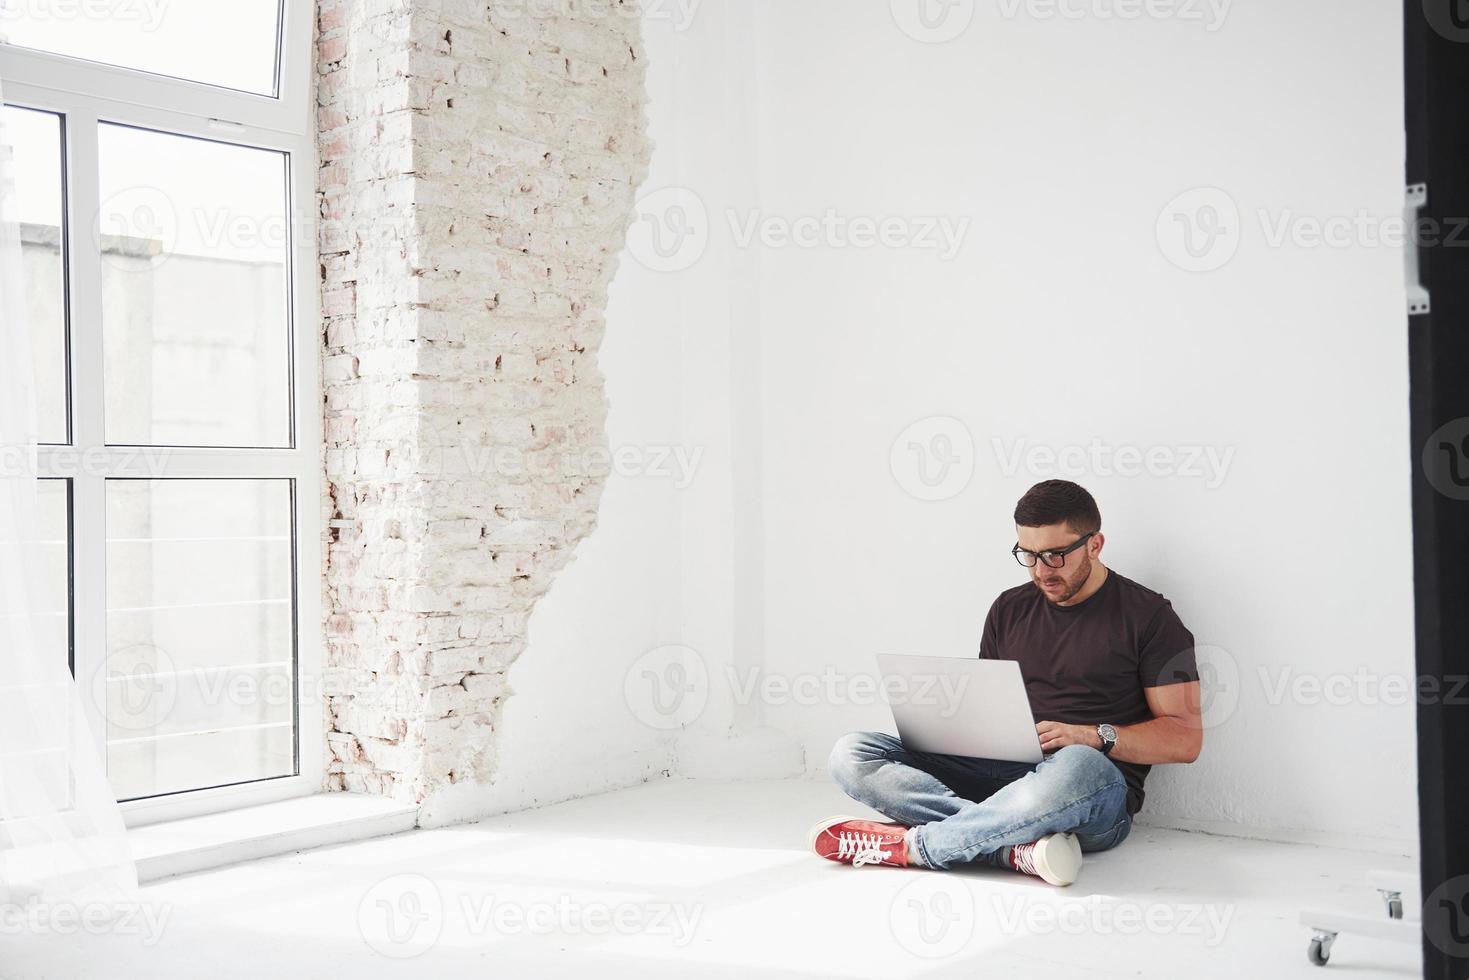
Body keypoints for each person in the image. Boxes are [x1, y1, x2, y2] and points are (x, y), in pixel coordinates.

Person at [809, 480, 1202, 885]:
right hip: (1001, 780)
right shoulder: (1008, 608)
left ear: (1095, 544)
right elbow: (990, 706)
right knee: (852, 753)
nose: (1041, 571)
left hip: (1086, 789)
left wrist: (1092, 737)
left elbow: (1185, 740)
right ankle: (1011, 847)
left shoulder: (1151, 618)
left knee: (1080, 763)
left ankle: (918, 847)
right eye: (1027, 555)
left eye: (1054, 555)